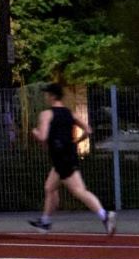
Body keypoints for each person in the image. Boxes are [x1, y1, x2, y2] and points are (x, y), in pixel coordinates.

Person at [29, 82, 117, 235]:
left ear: (52, 96)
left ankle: (105, 215)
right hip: (67, 155)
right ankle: (45, 221)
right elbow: (88, 130)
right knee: (50, 187)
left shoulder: (46, 114)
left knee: (79, 191)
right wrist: (76, 142)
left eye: (46, 94)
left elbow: (43, 137)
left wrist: (35, 132)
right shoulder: (70, 113)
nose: (45, 96)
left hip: (61, 158)